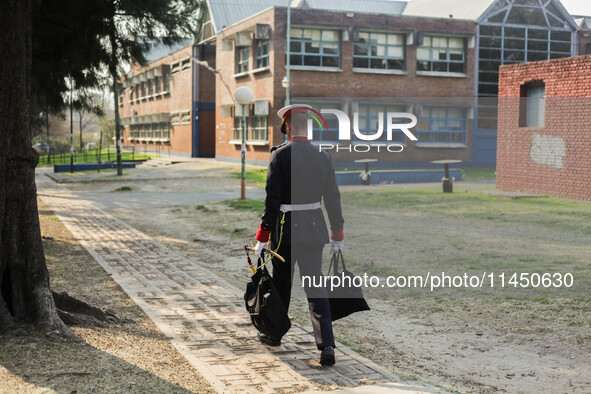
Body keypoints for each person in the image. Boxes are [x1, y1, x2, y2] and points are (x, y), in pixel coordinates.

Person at [253, 104, 344, 366]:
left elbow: (272, 202)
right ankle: (326, 344)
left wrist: (261, 237)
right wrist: (337, 232)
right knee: (316, 287)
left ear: (288, 126)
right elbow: (333, 198)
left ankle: (274, 334)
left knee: (282, 285)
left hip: (284, 230)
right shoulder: (323, 156)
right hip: (314, 228)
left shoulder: (279, 156)